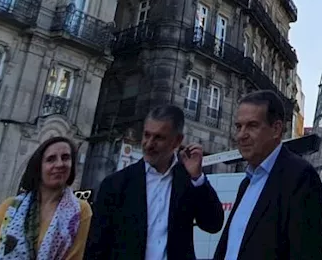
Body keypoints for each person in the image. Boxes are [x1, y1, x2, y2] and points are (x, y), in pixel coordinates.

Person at [86, 105, 225, 260]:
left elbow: (213, 224)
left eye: (159, 137)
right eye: (147, 135)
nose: (149, 144)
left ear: (177, 141)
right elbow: (96, 246)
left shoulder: (186, 180)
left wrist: (197, 178)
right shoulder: (116, 183)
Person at [214, 89, 322, 260]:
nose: (241, 135)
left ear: (276, 129)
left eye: (252, 125)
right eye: (239, 126)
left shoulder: (300, 177)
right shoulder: (247, 183)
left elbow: (306, 252)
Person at [0, 136, 93, 260]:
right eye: (51, 159)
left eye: (65, 158)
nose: (60, 164)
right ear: (38, 167)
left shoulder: (81, 211)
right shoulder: (9, 207)